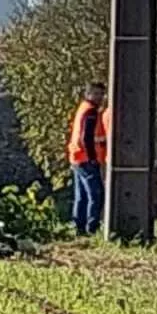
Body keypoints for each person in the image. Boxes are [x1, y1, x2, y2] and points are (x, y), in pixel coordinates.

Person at [67, 83, 107, 236]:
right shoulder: (91, 112)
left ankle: (79, 227)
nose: (100, 98)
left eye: (101, 94)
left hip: (77, 157)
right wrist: (92, 158)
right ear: (88, 94)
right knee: (96, 195)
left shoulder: (83, 108)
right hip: (86, 158)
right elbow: (87, 137)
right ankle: (92, 228)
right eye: (96, 94)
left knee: (81, 196)